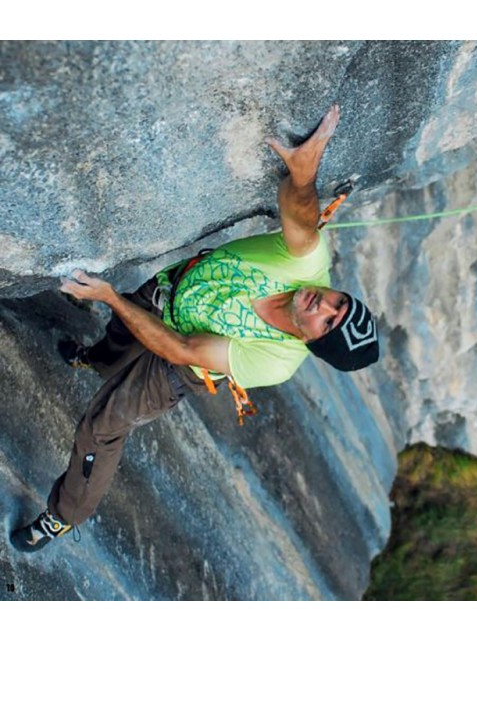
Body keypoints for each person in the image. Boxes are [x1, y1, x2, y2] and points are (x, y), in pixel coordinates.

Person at [10, 104, 379, 553]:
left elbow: (182, 348)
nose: (324, 302)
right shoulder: (308, 266)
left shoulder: (276, 361)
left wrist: (110, 296)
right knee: (115, 343)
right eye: (339, 301)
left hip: (181, 366)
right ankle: (94, 360)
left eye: (329, 321)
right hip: (171, 292)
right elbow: (301, 218)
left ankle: (63, 517)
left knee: (101, 427)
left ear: (312, 341)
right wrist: (304, 175)